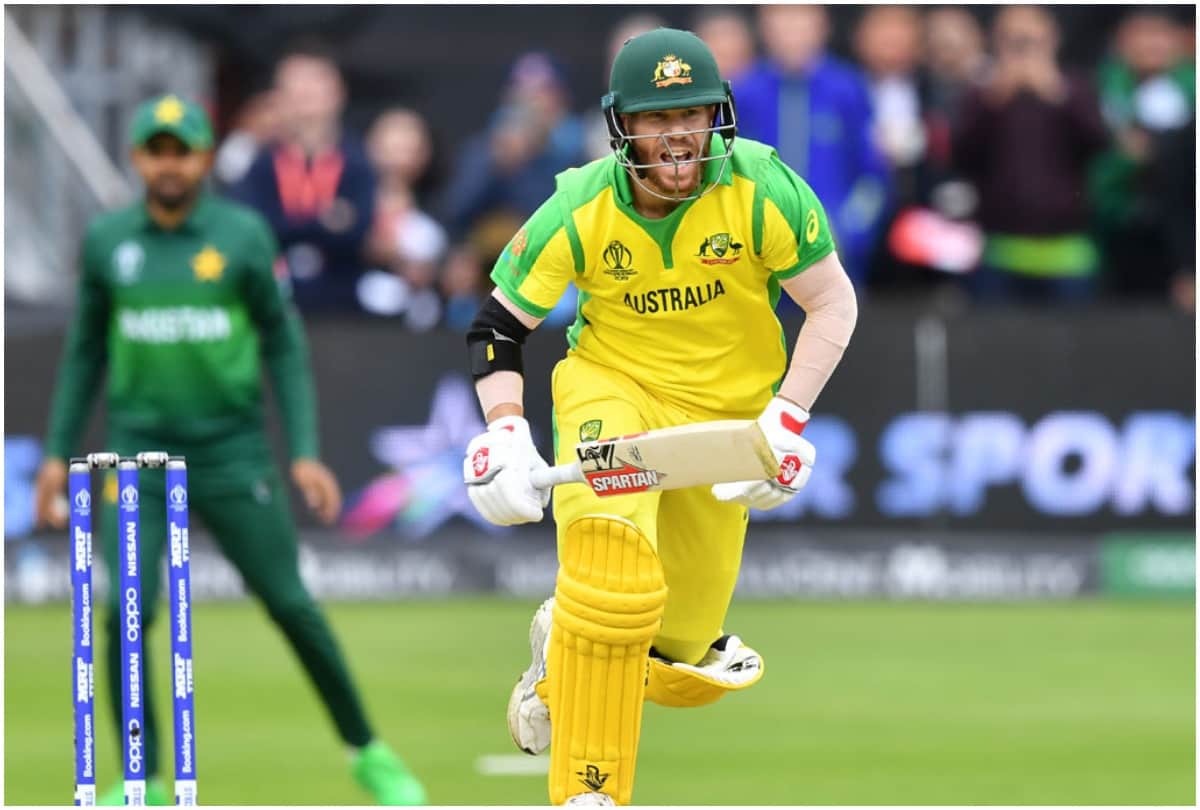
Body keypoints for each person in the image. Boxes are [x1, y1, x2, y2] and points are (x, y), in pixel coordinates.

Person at [460, 29, 857, 806]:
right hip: (616, 390)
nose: (678, 132)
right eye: (655, 116)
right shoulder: (580, 203)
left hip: (728, 418)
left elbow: (832, 302)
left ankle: (558, 646)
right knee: (613, 569)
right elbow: (497, 328)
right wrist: (505, 435)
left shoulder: (763, 188)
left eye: (695, 112)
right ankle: (589, 790)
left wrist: (787, 419)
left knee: (678, 651)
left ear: (719, 115)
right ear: (622, 127)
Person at [33, 94, 426, 806]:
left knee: (290, 603)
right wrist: (59, 452)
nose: (171, 163)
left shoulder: (241, 235)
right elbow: (84, 350)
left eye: (183, 149)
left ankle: (367, 752)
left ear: (205, 156)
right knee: (125, 609)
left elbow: (283, 341)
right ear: (139, 158)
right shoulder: (108, 242)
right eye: (158, 149)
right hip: (137, 455)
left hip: (232, 451)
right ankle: (143, 779)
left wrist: (304, 449)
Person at [953, 5, 1108, 303]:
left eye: (1031, 40)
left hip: (1068, 254)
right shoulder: (982, 93)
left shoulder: (1074, 88)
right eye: (1012, 40)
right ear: (996, 41)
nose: (1022, 50)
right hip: (999, 252)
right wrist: (995, 98)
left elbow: (1100, 145)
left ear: (1052, 38)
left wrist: (1056, 92)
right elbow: (960, 156)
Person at [734, 4, 891, 287]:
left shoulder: (848, 89)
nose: (792, 28)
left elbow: (874, 179)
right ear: (764, 26)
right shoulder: (744, 93)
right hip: (759, 266)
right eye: (781, 16)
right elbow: (729, 175)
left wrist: (847, 230)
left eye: (802, 16)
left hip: (834, 262)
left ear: (823, 25)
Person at [230, 44, 377, 314]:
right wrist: (325, 221)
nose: (305, 95)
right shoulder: (260, 166)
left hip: (345, 309)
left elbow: (359, 233)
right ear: (279, 97)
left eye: (315, 85)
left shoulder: (359, 163)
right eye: (296, 87)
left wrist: (287, 226)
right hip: (271, 307)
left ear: (338, 93)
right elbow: (255, 231)